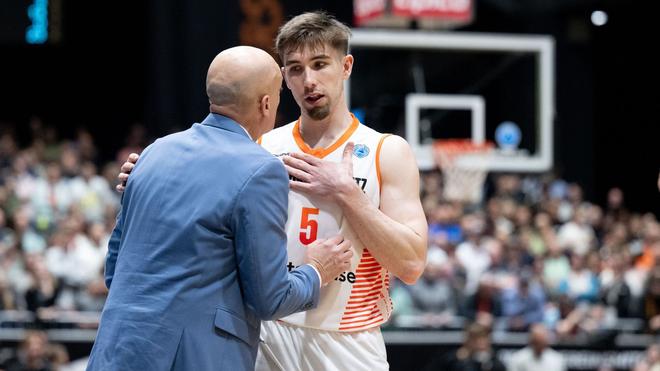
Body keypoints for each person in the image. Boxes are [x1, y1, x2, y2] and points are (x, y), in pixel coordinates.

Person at [118, 12, 428, 370]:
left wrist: (347, 193)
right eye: (295, 69)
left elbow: (411, 264)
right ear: (283, 78)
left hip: (348, 339)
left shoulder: (386, 151)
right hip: (268, 333)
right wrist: (144, 176)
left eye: (320, 64)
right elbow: (196, 200)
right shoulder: (261, 145)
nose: (309, 80)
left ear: (346, 66)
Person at [88, 46, 353, 371]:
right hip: (194, 358)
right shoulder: (261, 170)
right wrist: (316, 270)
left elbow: (115, 270)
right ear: (266, 103)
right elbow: (270, 298)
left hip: (115, 350)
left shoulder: (153, 152)